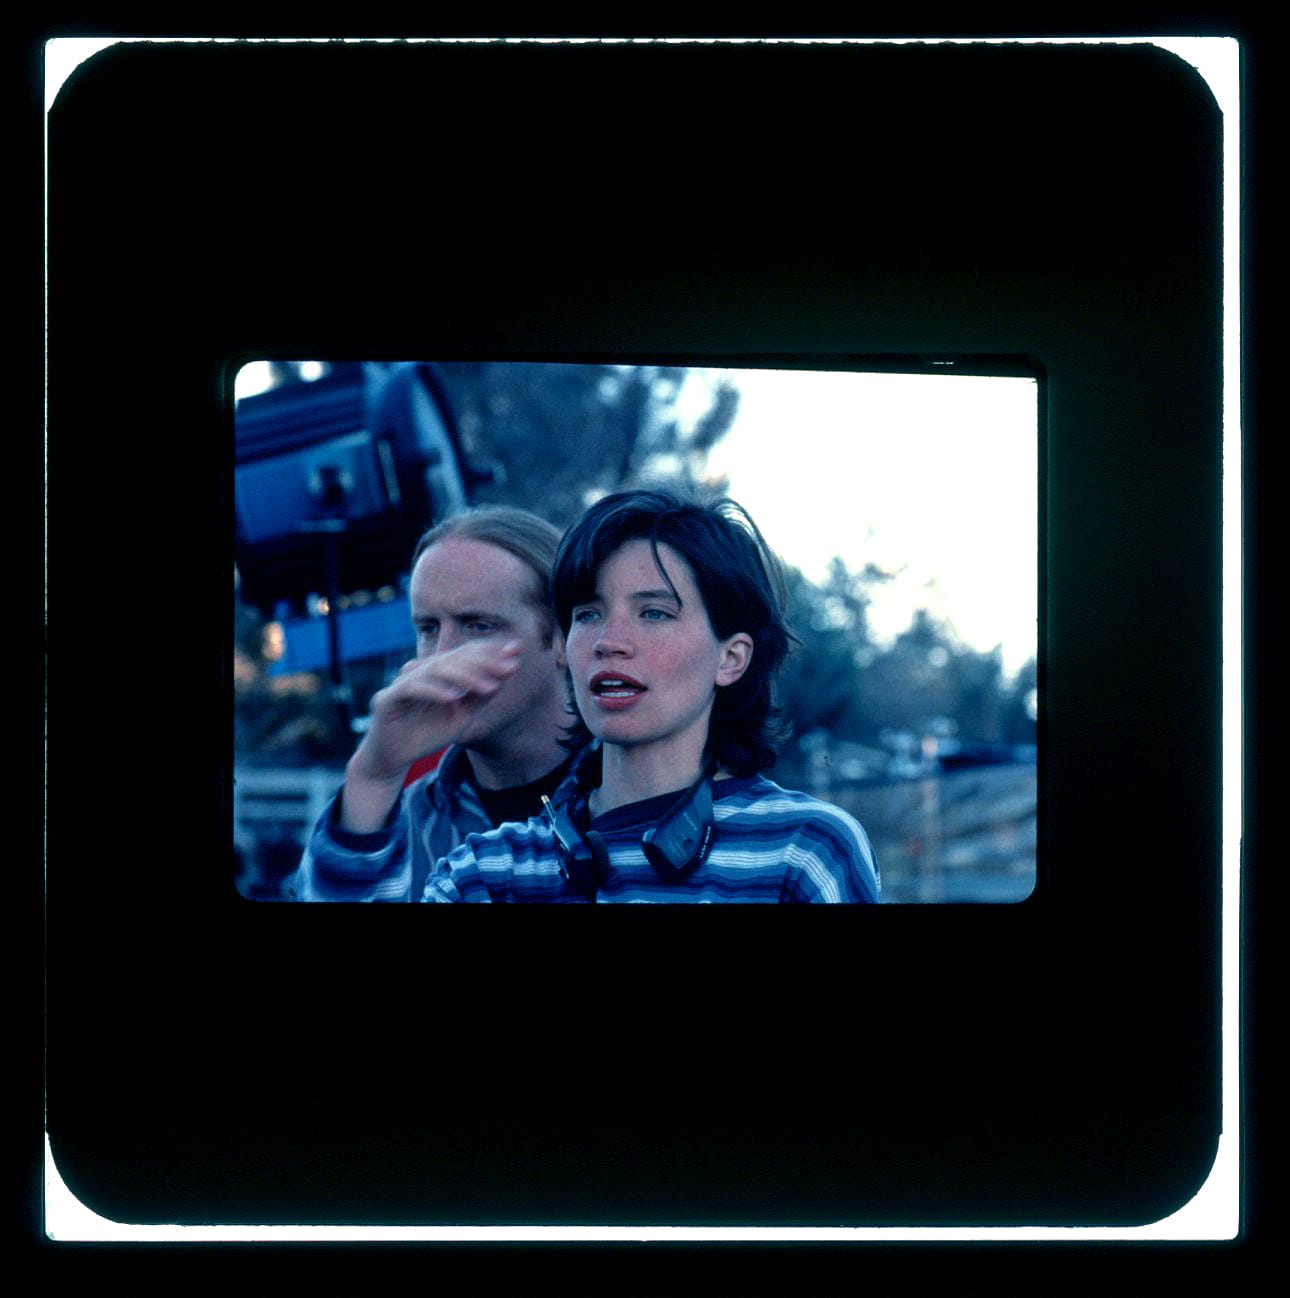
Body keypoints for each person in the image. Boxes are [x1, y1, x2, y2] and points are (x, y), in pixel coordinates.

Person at [420, 488, 881, 903]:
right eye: (588, 614)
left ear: (731, 659)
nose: (609, 640)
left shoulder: (806, 850)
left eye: (654, 613)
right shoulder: (485, 873)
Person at [290, 506, 591, 901]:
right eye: (428, 629)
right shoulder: (401, 820)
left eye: (478, 626)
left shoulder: (639, 795)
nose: (441, 655)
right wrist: (373, 775)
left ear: (561, 638)